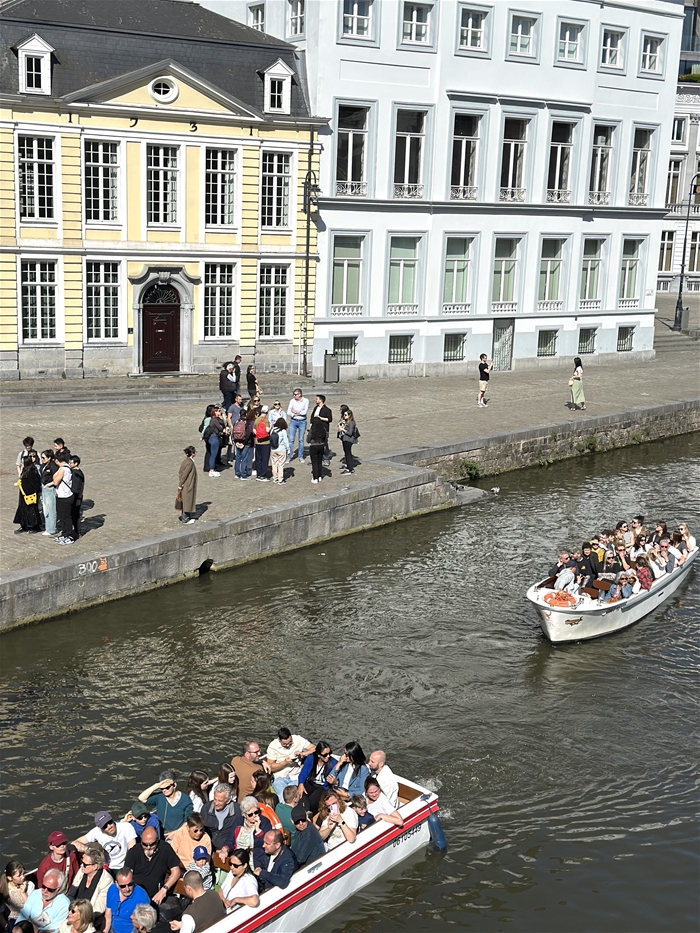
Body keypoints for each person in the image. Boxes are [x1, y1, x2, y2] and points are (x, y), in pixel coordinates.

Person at [123, 828, 181, 906]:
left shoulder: (165, 848)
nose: (148, 847)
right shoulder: (133, 852)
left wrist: (164, 890)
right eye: (145, 844)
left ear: (157, 840)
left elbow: (176, 871)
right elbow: (126, 875)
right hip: (137, 896)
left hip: (157, 897)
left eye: (152, 844)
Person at [224, 798, 272, 870]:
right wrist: (225, 848)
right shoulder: (238, 821)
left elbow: (265, 845)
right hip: (238, 858)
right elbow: (230, 840)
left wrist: (258, 830)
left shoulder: (264, 822)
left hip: (255, 860)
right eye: (250, 814)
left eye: (256, 812)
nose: (254, 815)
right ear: (244, 814)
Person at [266, 728, 315, 798]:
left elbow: (314, 748)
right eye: (285, 744)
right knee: (283, 796)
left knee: (295, 796)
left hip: (295, 776)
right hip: (279, 777)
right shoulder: (273, 746)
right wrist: (284, 763)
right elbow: (270, 767)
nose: (288, 745)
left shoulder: (298, 739)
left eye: (290, 743)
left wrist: (303, 753)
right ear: (279, 740)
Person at [16, 868, 70, 933]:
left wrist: (37, 930)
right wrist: (18, 927)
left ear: (59, 890)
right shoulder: (35, 894)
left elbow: (54, 929)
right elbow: (23, 914)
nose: (45, 891)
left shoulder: (64, 905)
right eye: (43, 886)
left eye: (50, 890)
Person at [67, 847, 112, 916]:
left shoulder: (106, 881)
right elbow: (71, 894)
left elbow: (98, 909)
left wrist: (79, 915)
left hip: (89, 916)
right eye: (82, 862)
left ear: (95, 866)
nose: (81, 865)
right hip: (73, 911)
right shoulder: (82, 871)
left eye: (85, 864)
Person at [200, 782, 239, 857]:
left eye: (220, 801)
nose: (216, 803)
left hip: (228, 851)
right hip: (208, 849)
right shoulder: (206, 808)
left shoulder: (237, 811)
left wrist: (226, 848)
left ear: (228, 800)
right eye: (215, 799)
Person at [103, 869, 148, 933]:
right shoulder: (112, 890)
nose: (127, 889)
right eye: (123, 886)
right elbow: (108, 916)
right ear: (117, 884)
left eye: (130, 884)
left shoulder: (142, 896)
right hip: (112, 930)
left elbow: (144, 925)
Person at [296, 741, 336, 814]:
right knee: (301, 793)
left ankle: (303, 813)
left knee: (311, 801)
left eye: (329, 753)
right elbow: (303, 773)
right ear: (318, 755)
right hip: (311, 783)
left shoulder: (333, 763)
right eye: (325, 755)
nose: (328, 756)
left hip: (323, 787)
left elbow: (337, 778)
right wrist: (301, 784)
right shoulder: (311, 758)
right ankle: (305, 813)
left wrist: (334, 782)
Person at [13, 452, 42, 535]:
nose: (22, 464)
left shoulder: (32, 471)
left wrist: (36, 491)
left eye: (23, 462)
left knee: (32, 510)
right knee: (23, 509)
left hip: (30, 494)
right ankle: (24, 525)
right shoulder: (25, 470)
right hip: (23, 494)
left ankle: (34, 526)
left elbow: (35, 483)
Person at [1, 860, 35, 925]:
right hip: (13, 920)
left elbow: (31, 907)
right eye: (19, 876)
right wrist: (6, 926)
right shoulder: (4, 890)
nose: (23, 877)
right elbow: (0, 913)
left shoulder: (29, 885)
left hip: (28, 918)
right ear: (10, 878)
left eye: (23, 873)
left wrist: (23, 893)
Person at [53, 451, 75, 545]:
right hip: (61, 495)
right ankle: (64, 533)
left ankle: (69, 535)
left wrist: (55, 475)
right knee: (62, 516)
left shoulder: (63, 469)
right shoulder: (66, 467)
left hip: (65, 496)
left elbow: (55, 482)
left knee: (66, 517)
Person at [286, 388, 309, 463]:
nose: (294, 396)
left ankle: (300, 456)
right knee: (291, 439)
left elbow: (304, 412)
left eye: (295, 394)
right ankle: (289, 456)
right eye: (293, 394)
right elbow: (288, 411)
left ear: (299, 394)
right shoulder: (292, 401)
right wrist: (294, 414)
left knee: (301, 439)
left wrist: (295, 412)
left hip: (302, 421)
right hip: (293, 421)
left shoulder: (306, 401)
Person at [175, 447, 197, 525]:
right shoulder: (190, 463)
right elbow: (185, 474)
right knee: (187, 502)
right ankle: (185, 519)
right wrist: (181, 484)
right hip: (188, 485)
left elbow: (180, 472)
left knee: (186, 501)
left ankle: (187, 516)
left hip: (186, 484)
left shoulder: (186, 461)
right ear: (192, 453)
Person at [40, 449, 59, 536]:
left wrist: (49, 484)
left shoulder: (53, 466)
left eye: (44, 458)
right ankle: (48, 527)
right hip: (44, 488)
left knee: (50, 509)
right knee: (45, 508)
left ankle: (51, 529)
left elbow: (57, 478)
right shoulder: (44, 465)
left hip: (50, 489)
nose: (42, 459)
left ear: (49, 458)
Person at [203, 409, 225, 478]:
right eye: (218, 411)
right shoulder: (214, 420)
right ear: (215, 412)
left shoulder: (215, 419)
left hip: (213, 437)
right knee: (213, 454)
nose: (220, 412)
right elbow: (221, 428)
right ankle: (211, 470)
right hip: (214, 438)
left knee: (213, 454)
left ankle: (212, 469)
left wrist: (221, 419)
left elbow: (222, 425)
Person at [67, 456, 85, 540]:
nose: (69, 464)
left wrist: (79, 498)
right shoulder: (73, 471)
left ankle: (78, 532)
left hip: (76, 496)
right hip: (73, 496)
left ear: (76, 463)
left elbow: (81, 487)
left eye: (71, 463)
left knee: (75, 515)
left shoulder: (78, 474)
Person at [338, 409, 359, 476]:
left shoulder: (351, 423)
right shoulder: (346, 422)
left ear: (349, 415)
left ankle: (350, 468)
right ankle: (348, 466)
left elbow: (350, 433)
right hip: (345, 439)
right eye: (344, 415)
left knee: (348, 454)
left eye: (345, 415)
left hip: (348, 440)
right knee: (346, 453)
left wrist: (343, 429)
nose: (344, 416)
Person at [270, 418, 290, 484]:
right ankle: (280, 479)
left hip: (273, 449)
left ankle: (275, 478)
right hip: (281, 450)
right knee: (280, 465)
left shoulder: (273, 430)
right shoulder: (283, 431)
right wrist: (288, 449)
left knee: (274, 464)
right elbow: (285, 442)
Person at [253, 407, 271, 482]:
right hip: (265, 442)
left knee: (258, 459)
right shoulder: (266, 420)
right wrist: (271, 426)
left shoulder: (257, 420)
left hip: (258, 442)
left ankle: (258, 474)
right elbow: (267, 430)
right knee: (265, 459)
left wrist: (258, 435)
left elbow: (254, 430)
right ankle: (263, 475)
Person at [307, 420, 327, 485]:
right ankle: (319, 476)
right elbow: (325, 438)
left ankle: (315, 478)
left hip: (314, 446)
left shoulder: (312, 430)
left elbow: (308, 440)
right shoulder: (323, 429)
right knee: (319, 462)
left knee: (314, 463)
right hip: (321, 446)